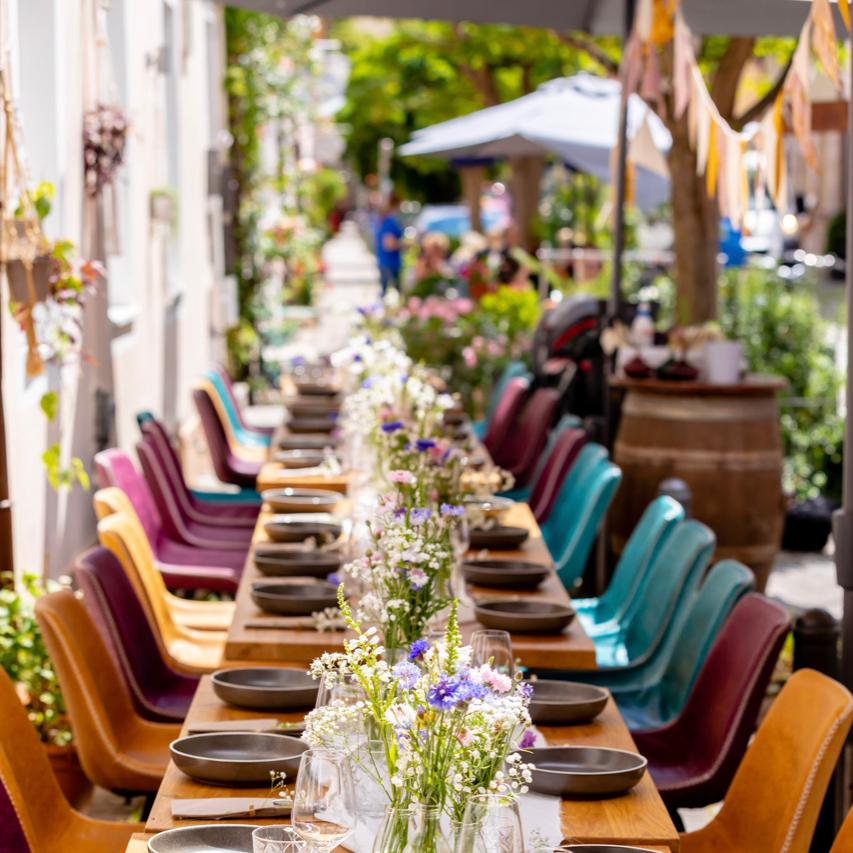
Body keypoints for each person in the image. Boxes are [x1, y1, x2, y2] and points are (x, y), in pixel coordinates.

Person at [374, 193, 404, 295]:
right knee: (395, 292)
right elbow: (389, 244)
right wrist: (406, 245)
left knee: (385, 291)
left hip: (384, 260)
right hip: (391, 263)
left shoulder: (383, 221)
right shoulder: (391, 222)